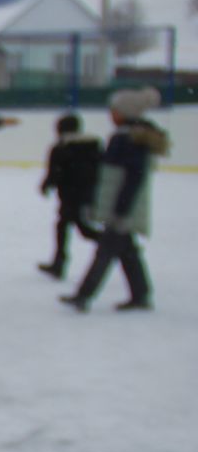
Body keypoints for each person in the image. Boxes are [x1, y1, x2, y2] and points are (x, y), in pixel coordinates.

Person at [62, 88, 167, 313]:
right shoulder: (125, 136)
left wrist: (120, 209)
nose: (111, 114)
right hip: (118, 205)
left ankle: (83, 295)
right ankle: (141, 294)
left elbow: (131, 177)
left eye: (115, 110)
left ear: (125, 112)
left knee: (106, 250)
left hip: (121, 207)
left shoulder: (131, 139)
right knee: (127, 250)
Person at [38, 113, 103, 279]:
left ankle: (115, 246)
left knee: (77, 228)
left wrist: (46, 186)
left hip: (68, 195)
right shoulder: (93, 145)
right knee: (71, 226)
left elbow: (54, 172)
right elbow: (100, 170)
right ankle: (59, 262)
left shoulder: (60, 148)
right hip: (87, 195)